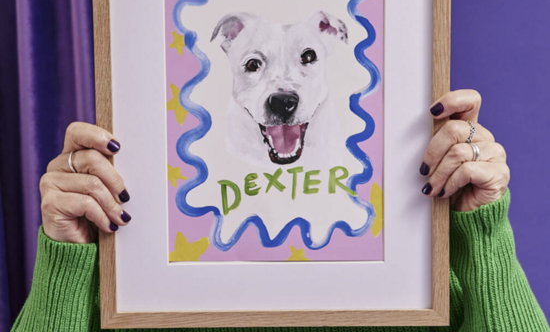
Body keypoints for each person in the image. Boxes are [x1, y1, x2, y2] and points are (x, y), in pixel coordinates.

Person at [11, 90, 550, 331]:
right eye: (253, 65)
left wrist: (483, 226)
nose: (283, 92)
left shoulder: (413, 269)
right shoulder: (138, 274)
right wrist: (66, 253)